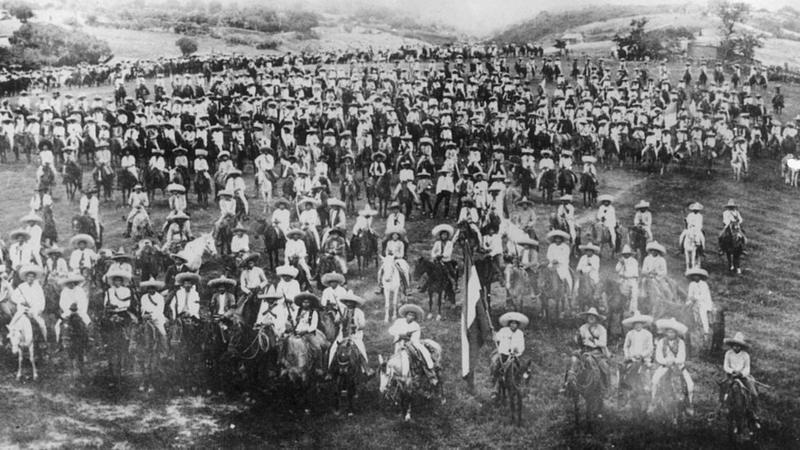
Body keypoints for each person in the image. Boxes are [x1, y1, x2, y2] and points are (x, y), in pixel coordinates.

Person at [649, 317, 695, 416]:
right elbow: (658, 356)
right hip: (665, 365)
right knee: (654, 381)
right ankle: (653, 402)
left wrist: (674, 361)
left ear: (676, 333)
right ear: (666, 332)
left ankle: (689, 404)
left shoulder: (681, 342)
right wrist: (665, 361)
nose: (671, 334)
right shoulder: (661, 341)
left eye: (673, 332)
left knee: (690, 385)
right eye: (669, 332)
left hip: (678, 366)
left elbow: (682, 356)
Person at [563, 307, 611, 391]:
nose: (591, 318)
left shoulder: (601, 329)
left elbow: (603, 343)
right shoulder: (583, 328)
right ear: (587, 317)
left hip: (596, 351)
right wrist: (577, 339)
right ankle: (567, 383)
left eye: (593, 316)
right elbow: (579, 340)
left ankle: (604, 385)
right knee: (573, 359)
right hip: (584, 349)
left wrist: (594, 341)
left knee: (603, 365)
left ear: (596, 318)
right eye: (589, 316)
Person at [388, 304, 437, 385]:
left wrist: (408, 339)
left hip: (409, 345)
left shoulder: (416, 325)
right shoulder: (399, 322)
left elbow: (415, 339)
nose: (410, 317)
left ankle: (429, 370)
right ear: (406, 315)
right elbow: (391, 330)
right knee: (396, 360)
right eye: (409, 315)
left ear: (415, 317)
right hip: (399, 344)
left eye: (413, 316)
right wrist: (400, 334)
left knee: (421, 352)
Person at [327, 292, 371, 377]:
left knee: (360, 349)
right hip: (342, 335)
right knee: (333, 348)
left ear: (354, 303)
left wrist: (356, 326)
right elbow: (336, 322)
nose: (349, 303)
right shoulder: (342, 310)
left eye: (351, 302)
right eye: (347, 302)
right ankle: (330, 370)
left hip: (355, 336)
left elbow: (363, 325)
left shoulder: (359, 312)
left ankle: (366, 369)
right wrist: (340, 320)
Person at [721, 332, 760, 424]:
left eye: (738, 346)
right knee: (723, 387)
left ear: (741, 346)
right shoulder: (728, 353)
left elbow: (747, 368)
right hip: (730, 375)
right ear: (732, 345)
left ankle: (754, 412)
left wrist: (741, 373)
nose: (736, 347)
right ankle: (722, 407)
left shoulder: (745, 355)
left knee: (754, 393)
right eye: (734, 345)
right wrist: (732, 371)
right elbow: (725, 366)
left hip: (743, 377)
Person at [9, 265, 48, 343]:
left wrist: (40, 309)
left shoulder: (38, 287)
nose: (30, 278)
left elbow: (42, 300)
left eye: (32, 277)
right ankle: (12, 340)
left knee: (42, 325)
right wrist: (21, 301)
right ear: (26, 277)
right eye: (29, 276)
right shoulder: (21, 287)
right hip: (23, 309)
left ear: (34, 278)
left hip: (34, 310)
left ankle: (44, 342)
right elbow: (13, 297)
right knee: (12, 324)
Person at [293, 292, 329, 375]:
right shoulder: (298, 311)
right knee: (284, 342)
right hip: (297, 331)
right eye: (304, 302)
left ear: (310, 303)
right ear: (301, 303)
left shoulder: (314, 313)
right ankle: (282, 362)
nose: (305, 304)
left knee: (317, 348)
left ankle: (318, 367)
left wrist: (305, 331)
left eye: (307, 302)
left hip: (308, 333)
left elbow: (313, 326)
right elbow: (295, 321)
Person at [490, 312, 528, 390]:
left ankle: (519, 384)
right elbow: (497, 338)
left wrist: (517, 350)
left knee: (520, 368)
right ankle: (495, 387)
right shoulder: (503, 330)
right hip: (503, 354)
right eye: (511, 323)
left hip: (513, 355)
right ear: (509, 324)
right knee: (497, 367)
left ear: (517, 325)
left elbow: (522, 346)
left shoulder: (520, 334)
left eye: (515, 323)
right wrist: (494, 335)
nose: (513, 325)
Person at [139, 277, 168, 350]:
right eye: (149, 288)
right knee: (138, 331)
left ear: (155, 289)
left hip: (157, 318)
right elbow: (143, 307)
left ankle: (165, 350)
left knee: (163, 332)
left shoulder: (160, 297)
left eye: (152, 288)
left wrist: (151, 316)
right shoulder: (144, 297)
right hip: (146, 318)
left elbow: (160, 310)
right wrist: (144, 315)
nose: (150, 290)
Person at [685, 267, 714, 337]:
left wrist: (695, 298)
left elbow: (704, 296)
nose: (695, 277)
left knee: (702, 311)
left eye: (697, 275)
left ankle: (705, 329)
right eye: (694, 275)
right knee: (686, 307)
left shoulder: (704, 284)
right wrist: (690, 300)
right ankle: (692, 326)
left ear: (700, 276)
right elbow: (690, 295)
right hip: (694, 301)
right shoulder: (691, 284)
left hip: (704, 302)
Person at [615, 244, 640, 313]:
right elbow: (617, 270)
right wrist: (622, 264)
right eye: (624, 254)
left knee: (634, 294)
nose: (626, 255)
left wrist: (625, 266)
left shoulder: (634, 261)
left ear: (630, 254)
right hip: (623, 280)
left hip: (631, 279)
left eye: (627, 254)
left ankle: (633, 310)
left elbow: (633, 272)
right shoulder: (621, 261)